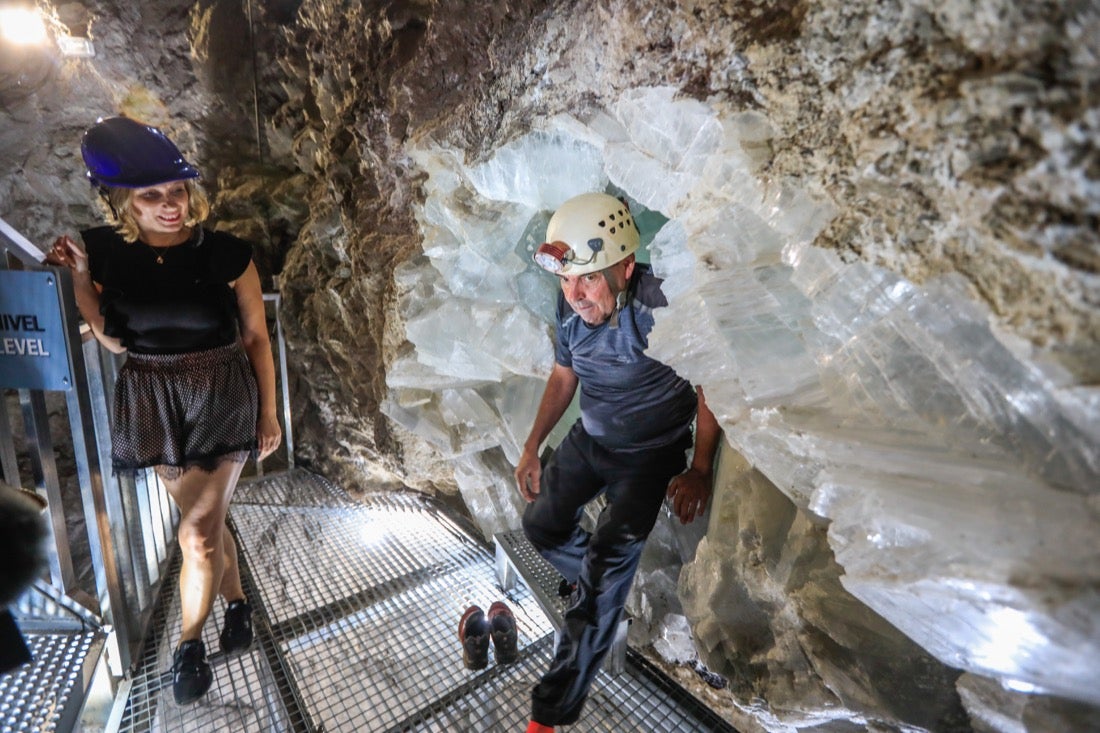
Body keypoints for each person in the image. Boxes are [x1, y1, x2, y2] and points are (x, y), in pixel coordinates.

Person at [45, 116, 281, 705]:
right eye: (151, 195)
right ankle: (237, 605)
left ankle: (189, 646)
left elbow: (255, 337)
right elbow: (113, 338)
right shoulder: (102, 253)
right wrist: (79, 280)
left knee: (196, 534)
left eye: (175, 191)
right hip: (154, 401)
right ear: (122, 202)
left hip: (223, 396)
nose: (169, 204)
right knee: (208, 530)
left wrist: (270, 413)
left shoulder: (227, 253)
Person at [514, 193, 721, 731]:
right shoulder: (569, 304)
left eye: (587, 280)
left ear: (626, 267)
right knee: (540, 523)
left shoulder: (661, 304)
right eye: (567, 281)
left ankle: (550, 715)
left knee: (607, 568)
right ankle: (598, 595)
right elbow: (565, 375)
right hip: (593, 436)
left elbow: (711, 383)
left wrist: (698, 467)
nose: (574, 294)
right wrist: (533, 443)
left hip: (649, 455)